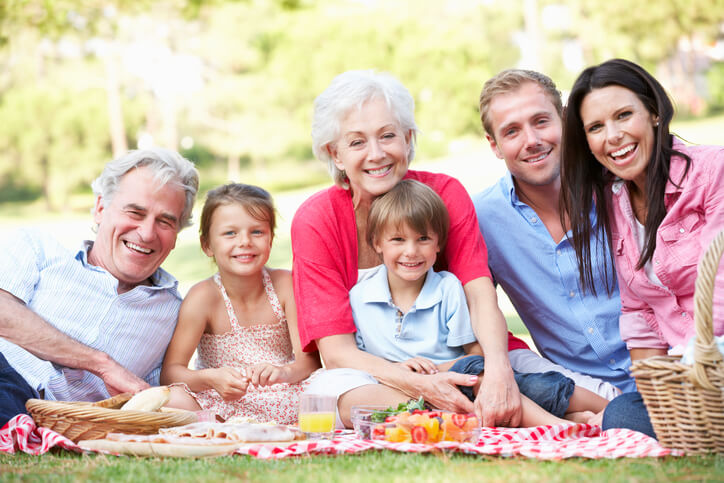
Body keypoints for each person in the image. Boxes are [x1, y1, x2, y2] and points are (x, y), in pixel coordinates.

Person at [292, 69, 528, 429]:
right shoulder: (316, 219)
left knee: (530, 379)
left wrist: (498, 371)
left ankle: (489, 407)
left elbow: (479, 294)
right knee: (328, 397)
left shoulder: (445, 194)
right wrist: (422, 385)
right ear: (334, 154)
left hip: (464, 360)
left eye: (388, 136)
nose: (376, 154)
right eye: (357, 142)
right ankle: (477, 413)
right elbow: (336, 352)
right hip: (376, 373)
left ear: (407, 138)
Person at [352, 179, 607, 425]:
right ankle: (557, 426)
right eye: (398, 239)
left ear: (438, 243)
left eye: (423, 239)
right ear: (376, 243)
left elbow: (474, 355)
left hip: (464, 380)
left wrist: (433, 370)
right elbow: (360, 363)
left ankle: (606, 407)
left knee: (531, 385)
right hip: (405, 392)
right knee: (505, 392)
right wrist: (401, 371)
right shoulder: (360, 297)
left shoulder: (447, 288)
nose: (411, 251)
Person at [559, 58, 724, 437]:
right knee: (624, 414)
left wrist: (691, 370)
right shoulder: (613, 201)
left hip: (713, 359)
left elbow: (719, 288)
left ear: (652, 112)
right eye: (596, 127)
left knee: (633, 420)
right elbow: (638, 307)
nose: (612, 136)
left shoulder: (712, 171)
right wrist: (655, 392)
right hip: (685, 378)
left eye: (623, 115)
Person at [0, 148, 199, 426]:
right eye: (135, 212)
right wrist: (101, 364)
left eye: (165, 221)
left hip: (49, 417)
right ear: (100, 209)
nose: (147, 233)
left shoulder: (176, 313)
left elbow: (161, 393)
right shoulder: (38, 249)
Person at [472, 69, 635, 400]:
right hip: (585, 391)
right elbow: (471, 315)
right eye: (512, 131)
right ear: (495, 145)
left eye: (541, 121)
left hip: (667, 368)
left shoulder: (620, 185)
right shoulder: (482, 219)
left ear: (564, 120)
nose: (532, 140)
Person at [161, 183, 321, 425]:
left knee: (333, 386)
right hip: (223, 401)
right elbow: (171, 372)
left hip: (285, 394)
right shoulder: (203, 297)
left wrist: (283, 372)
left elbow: (309, 361)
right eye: (230, 233)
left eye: (257, 232)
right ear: (207, 245)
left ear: (271, 239)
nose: (245, 241)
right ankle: (222, 428)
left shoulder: (285, 284)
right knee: (172, 398)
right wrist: (210, 378)